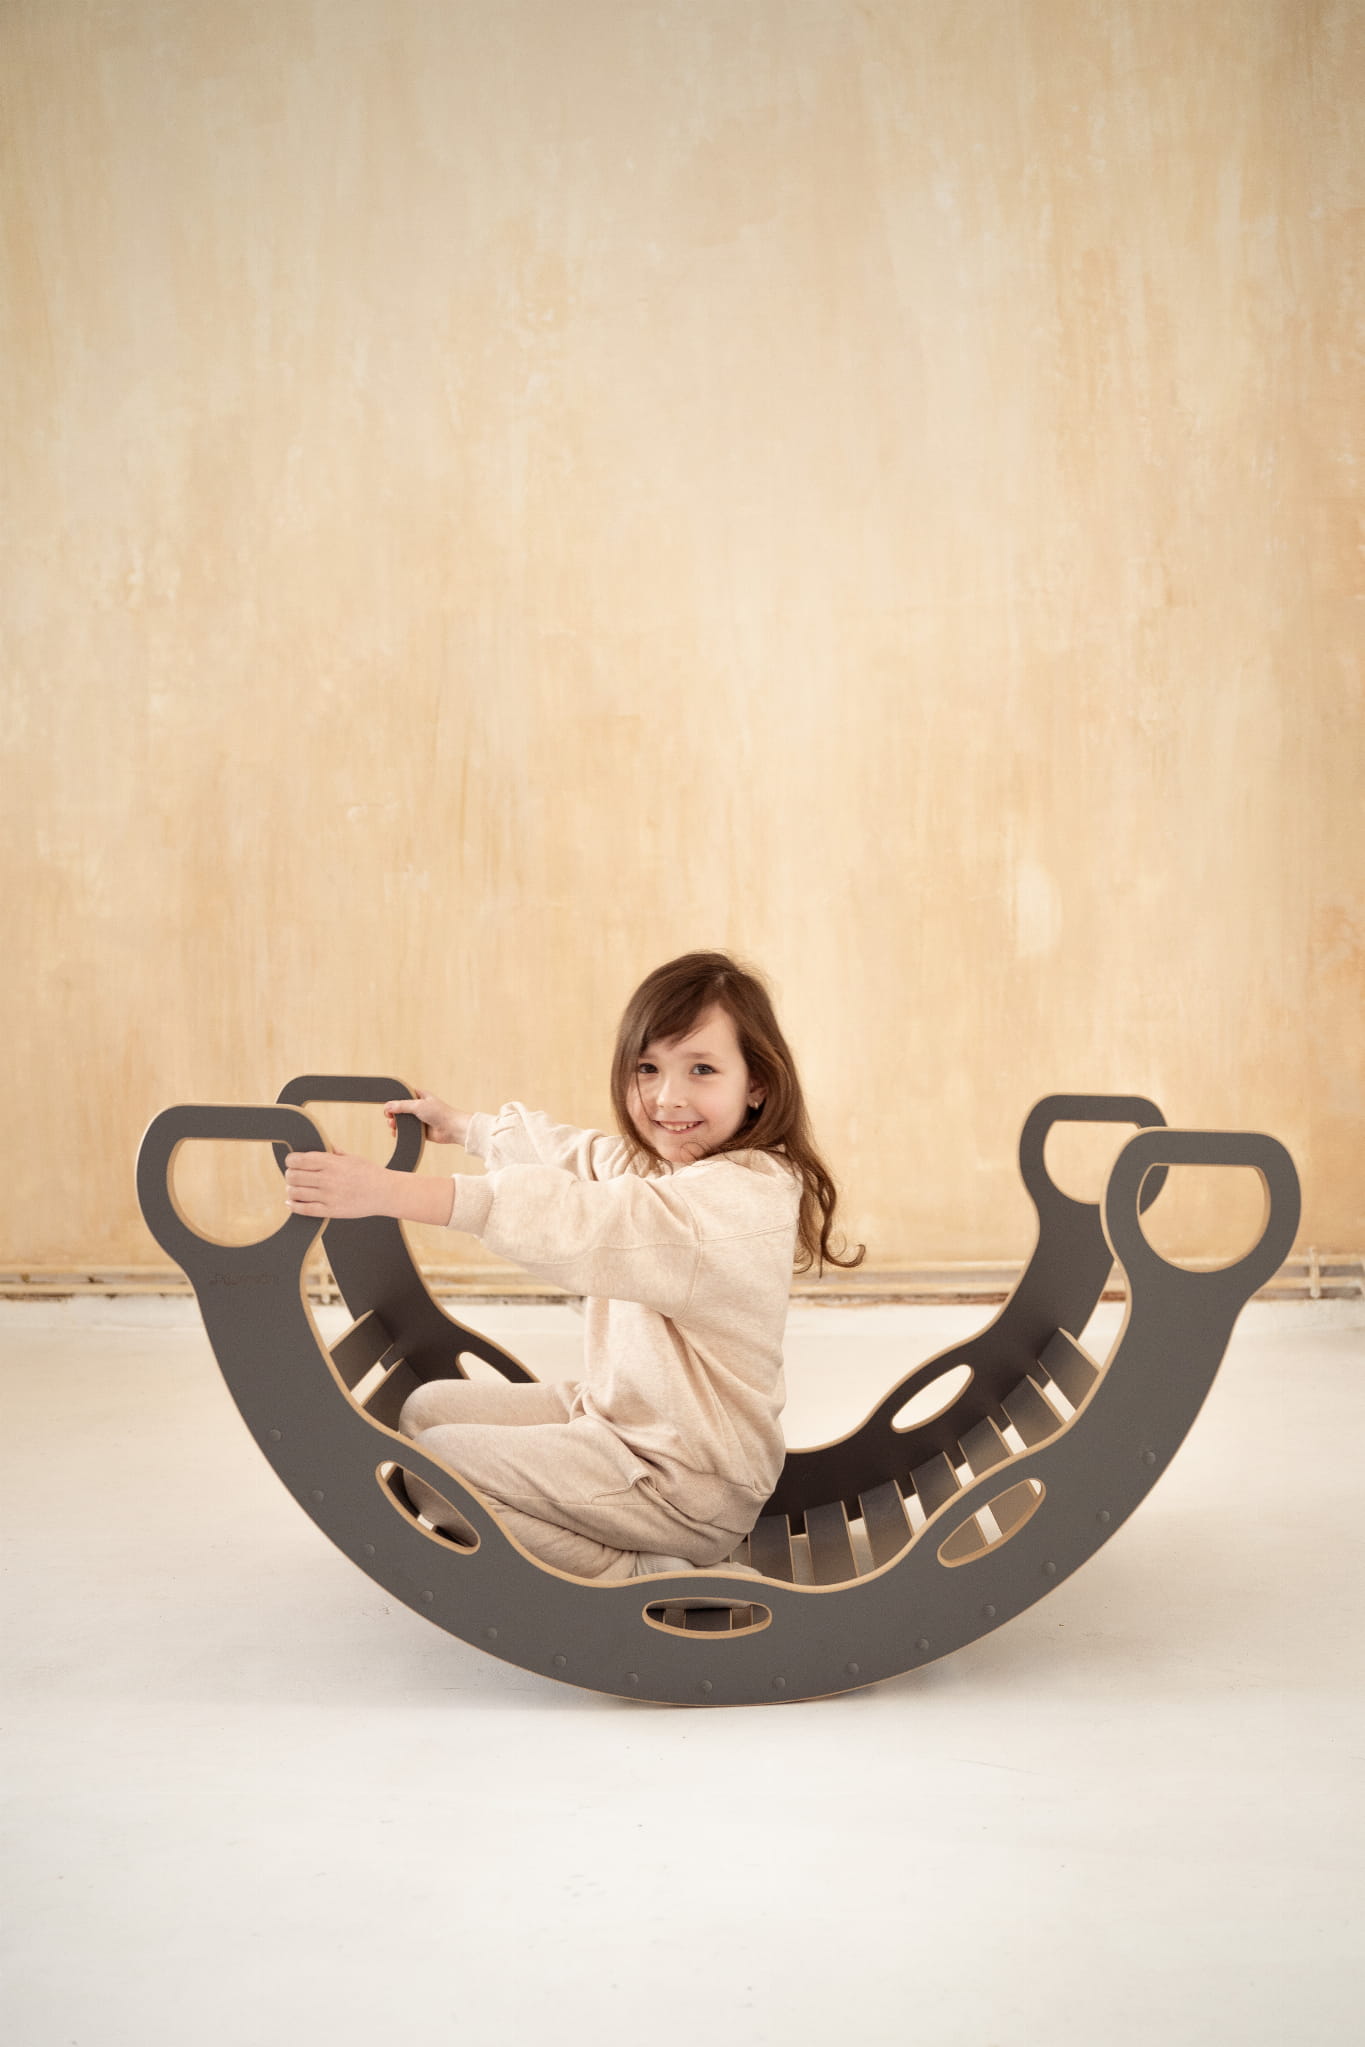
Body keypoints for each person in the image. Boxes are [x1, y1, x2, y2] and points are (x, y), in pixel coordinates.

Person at [282, 951, 863, 1581]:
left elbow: (583, 1220)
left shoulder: (732, 1202)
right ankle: (601, 1532)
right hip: (627, 1423)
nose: (668, 1097)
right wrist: (467, 1128)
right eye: (648, 1068)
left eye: (702, 1069)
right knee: (425, 1411)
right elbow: (585, 1158)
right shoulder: (678, 1163)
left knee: (436, 1470)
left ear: (757, 1085)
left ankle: (641, 1574)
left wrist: (387, 1192)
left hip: (684, 1483)